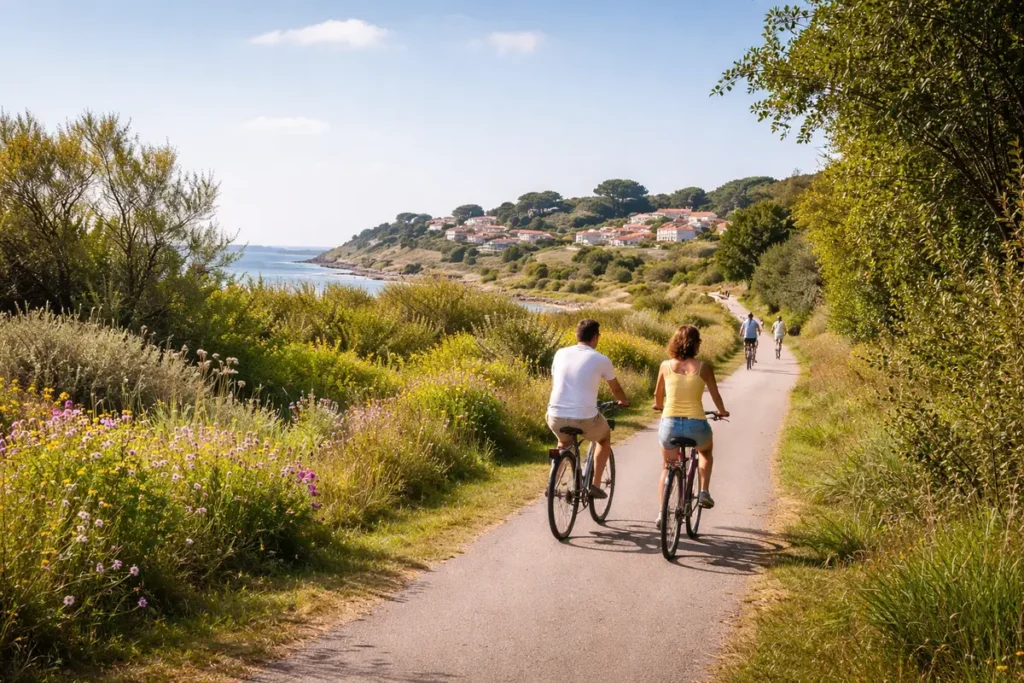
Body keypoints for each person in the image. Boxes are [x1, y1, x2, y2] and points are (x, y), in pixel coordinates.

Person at [652, 325, 729, 526]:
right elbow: (716, 396)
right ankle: (704, 491)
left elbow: (657, 395)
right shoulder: (704, 367)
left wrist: (658, 406)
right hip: (696, 424)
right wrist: (722, 411)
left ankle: (662, 513)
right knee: (705, 452)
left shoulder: (665, 366)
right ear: (697, 344)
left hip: (669, 424)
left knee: (668, 466)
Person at [546, 319, 630, 499]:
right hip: (584, 418)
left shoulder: (560, 353)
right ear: (595, 337)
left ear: (577, 335)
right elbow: (616, 389)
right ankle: (595, 485)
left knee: (563, 443)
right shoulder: (601, 359)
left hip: (555, 415)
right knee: (604, 438)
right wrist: (623, 401)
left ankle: (552, 484)